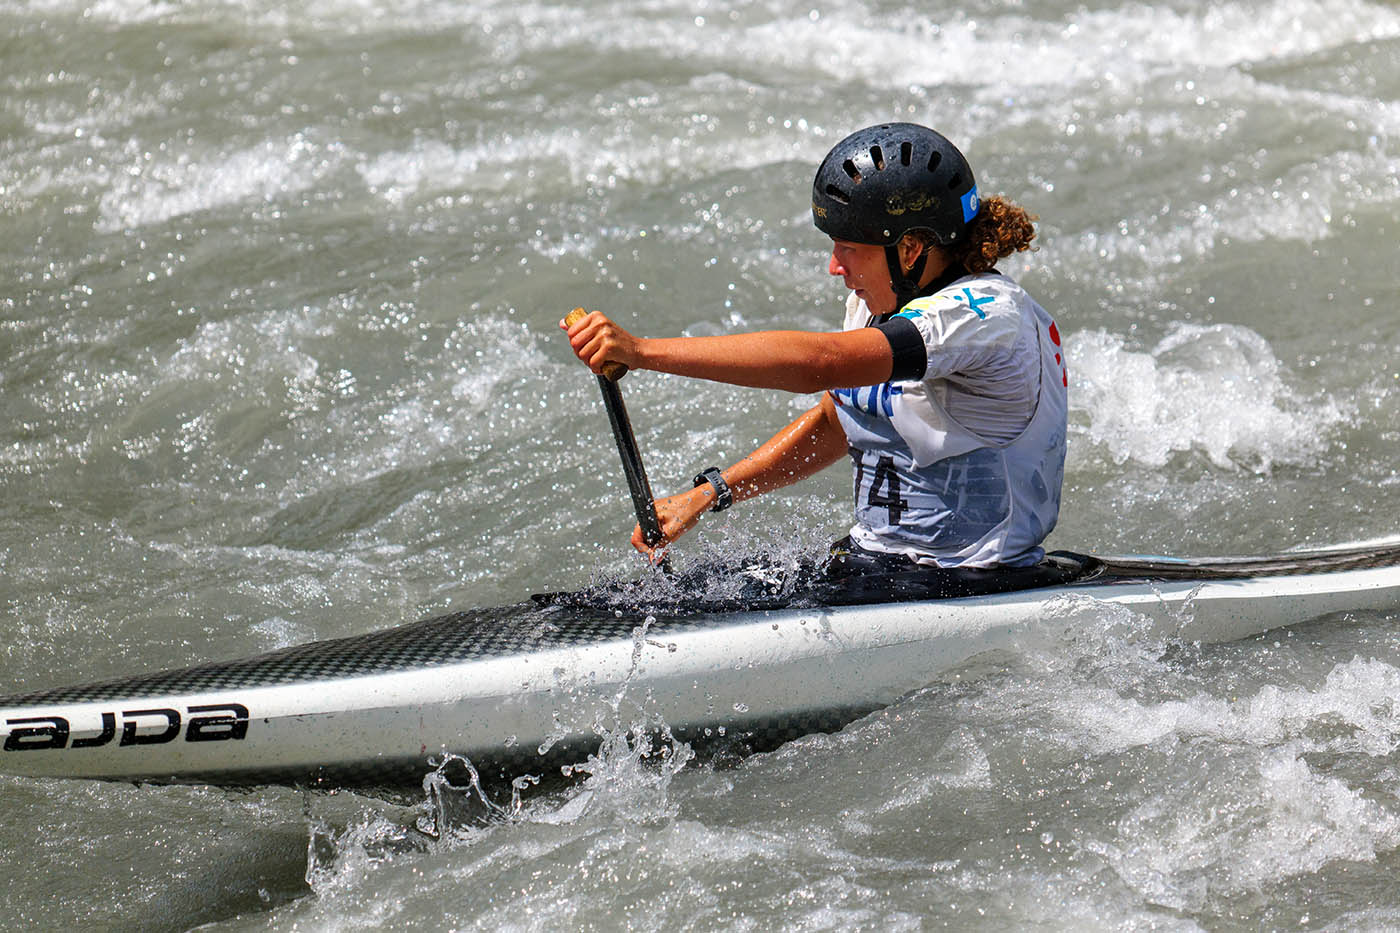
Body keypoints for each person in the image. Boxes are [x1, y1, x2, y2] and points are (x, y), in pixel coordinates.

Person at [563, 122, 1068, 576]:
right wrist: (709, 493)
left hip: (976, 576)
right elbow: (837, 421)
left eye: (848, 247)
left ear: (911, 249)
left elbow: (817, 365)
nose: (834, 266)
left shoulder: (987, 316)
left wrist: (643, 352)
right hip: (882, 565)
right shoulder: (879, 302)